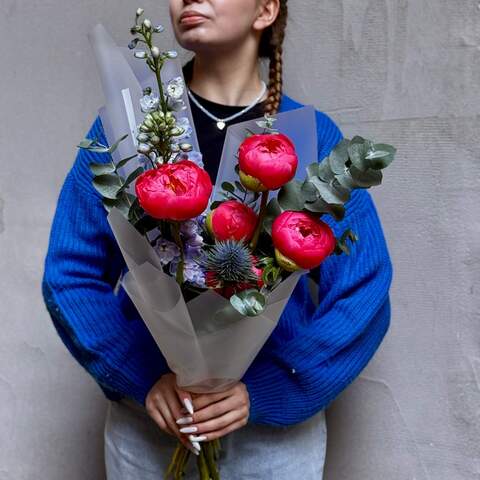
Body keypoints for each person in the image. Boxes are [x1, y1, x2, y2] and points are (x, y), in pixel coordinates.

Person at [41, 0, 394, 478]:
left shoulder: (313, 138)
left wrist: (273, 387)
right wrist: (141, 379)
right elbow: (70, 273)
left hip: (272, 443)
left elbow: (365, 288)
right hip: (150, 427)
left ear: (266, 10)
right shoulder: (128, 132)